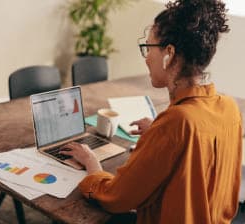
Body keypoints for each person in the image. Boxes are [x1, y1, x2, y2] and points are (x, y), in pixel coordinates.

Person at [61, 0, 243, 223]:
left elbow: (117, 198)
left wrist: (92, 164)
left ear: (169, 54)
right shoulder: (229, 108)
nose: (147, 58)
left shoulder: (177, 122)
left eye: (148, 47)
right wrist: (159, 132)